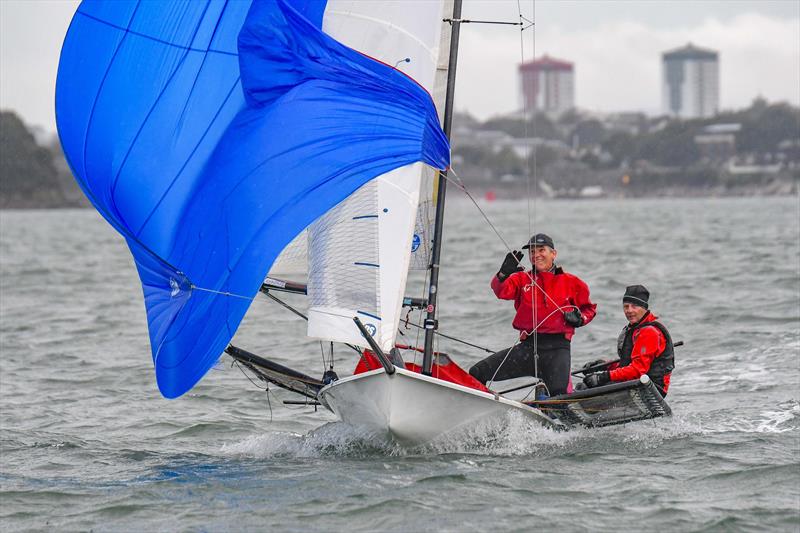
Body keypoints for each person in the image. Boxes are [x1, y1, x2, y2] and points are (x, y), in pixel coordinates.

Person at [469, 233, 596, 396]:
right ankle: (485, 412)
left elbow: (589, 309)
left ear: (553, 253)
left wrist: (580, 319)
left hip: (557, 350)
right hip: (527, 348)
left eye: (541, 250)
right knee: (477, 371)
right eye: (532, 252)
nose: (536, 255)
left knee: (561, 398)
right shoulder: (522, 279)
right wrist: (502, 275)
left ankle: (551, 412)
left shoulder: (572, 282)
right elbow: (501, 292)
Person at [582, 284, 675, 396]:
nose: (629, 310)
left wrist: (604, 376)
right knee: (584, 387)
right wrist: (603, 365)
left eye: (634, 306)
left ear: (644, 308)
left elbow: (637, 370)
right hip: (634, 383)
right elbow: (627, 364)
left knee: (584, 389)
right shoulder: (634, 329)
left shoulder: (649, 332)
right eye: (626, 307)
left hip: (650, 389)